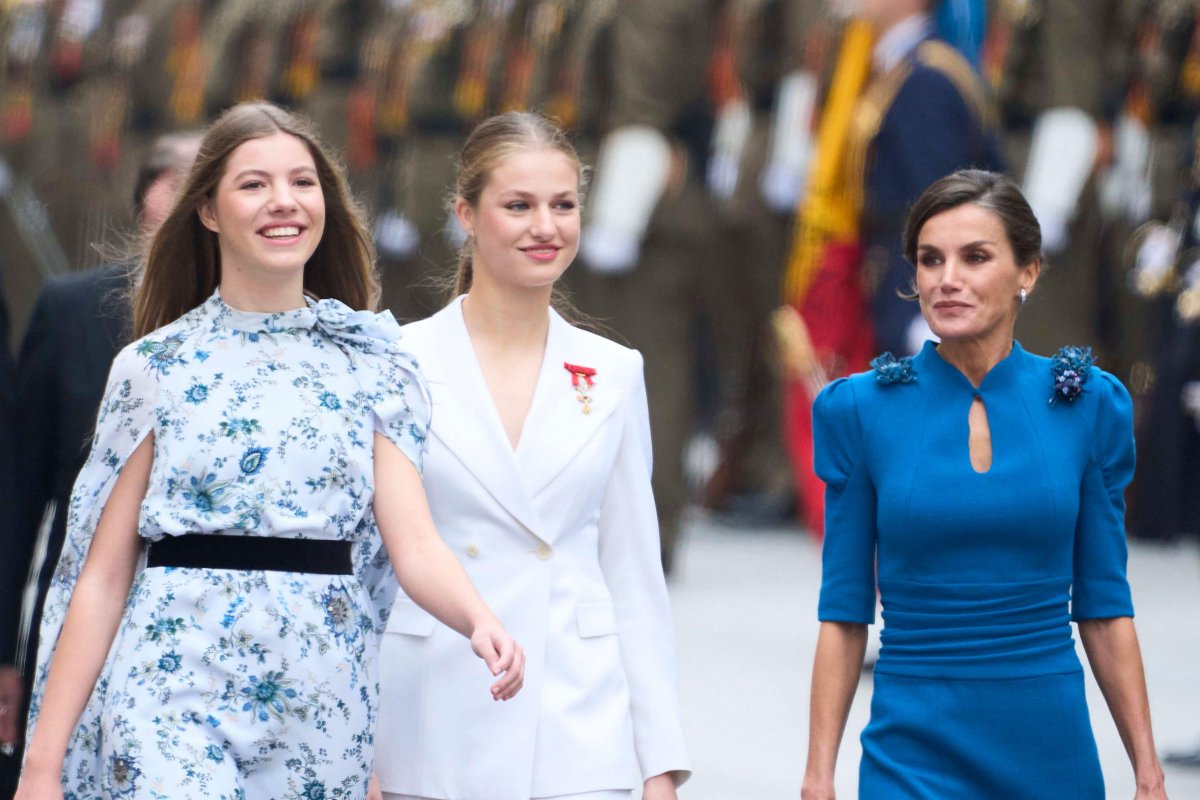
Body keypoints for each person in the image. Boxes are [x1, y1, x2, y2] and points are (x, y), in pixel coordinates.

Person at [14, 101, 524, 800]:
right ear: (209, 211)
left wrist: (480, 618)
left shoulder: (373, 362)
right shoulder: (156, 366)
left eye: (302, 182)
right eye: (254, 184)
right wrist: (43, 762)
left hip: (320, 698)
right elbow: (101, 577)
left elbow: (415, 544)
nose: (283, 201)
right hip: (170, 688)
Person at [801, 170, 1168, 799]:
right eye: (929, 259)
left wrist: (1148, 773)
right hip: (910, 753)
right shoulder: (860, 411)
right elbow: (843, 610)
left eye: (975, 257)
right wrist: (817, 776)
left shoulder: (1088, 407)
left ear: (1028, 271)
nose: (948, 278)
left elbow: (1105, 606)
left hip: (1050, 752)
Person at [372, 111, 690, 800]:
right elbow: (367, 565)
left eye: (564, 205)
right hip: (432, 711)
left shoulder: (613, 371)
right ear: (465, 214)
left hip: (577, 719)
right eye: (518, 205)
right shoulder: (398, 360)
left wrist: (659, 764)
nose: (545, 227)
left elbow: (633, 576)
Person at [2, 132, 201, 789]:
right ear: (147, 197)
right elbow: (19, 489)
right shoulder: (70, 307)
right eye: (179, 185)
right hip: (76, 597)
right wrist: (7, 649)